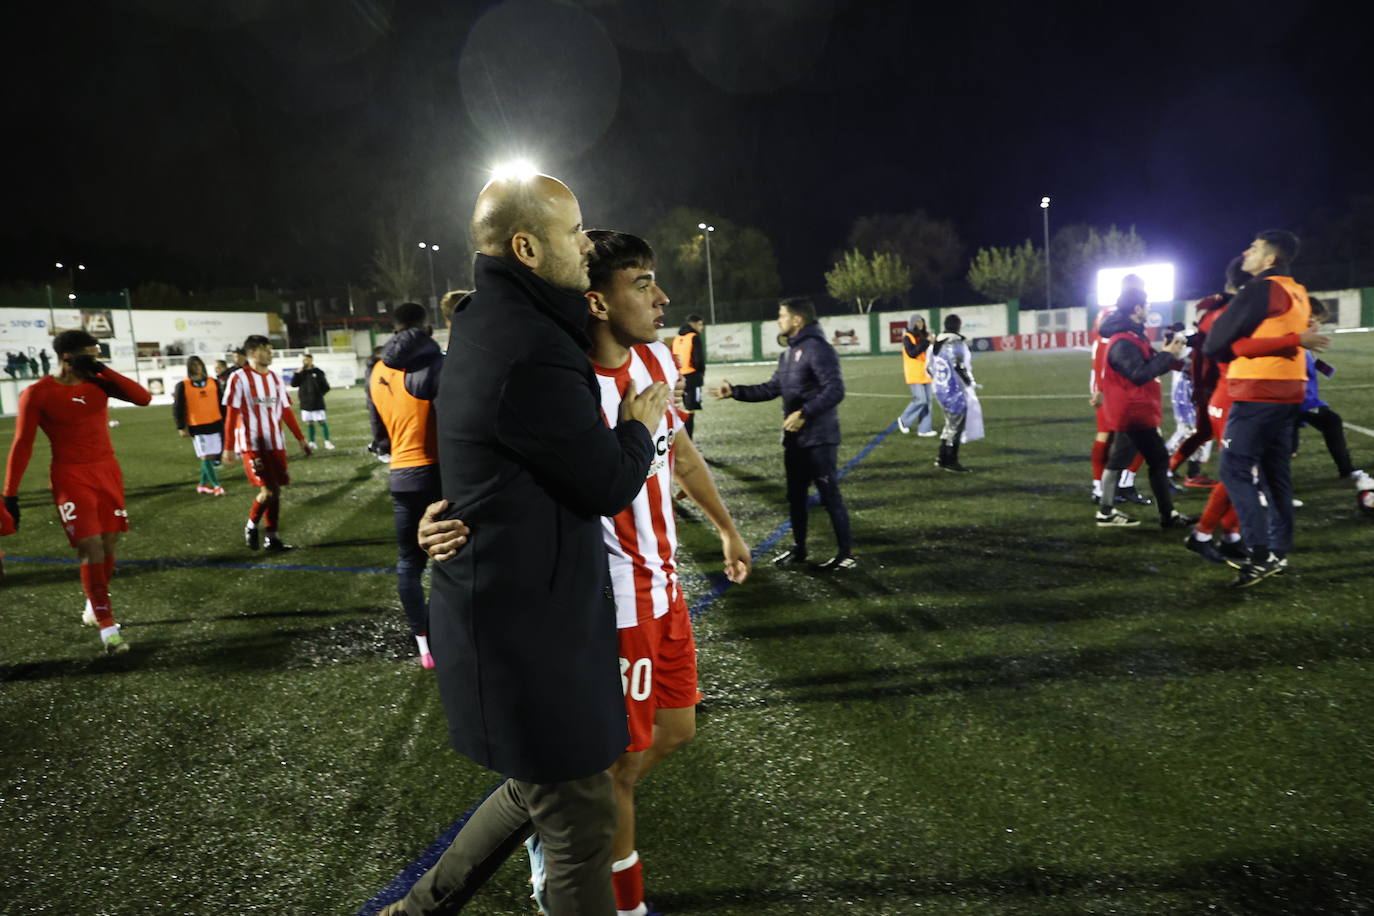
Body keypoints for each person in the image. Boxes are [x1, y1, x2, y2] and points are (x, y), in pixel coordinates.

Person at [375, 173, 667, 916]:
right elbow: (603, 481)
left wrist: (447, 510)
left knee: (541, 788)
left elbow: (487, 444)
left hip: (516, 614)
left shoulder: (492, 318)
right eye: (574, 234)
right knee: (579, 816)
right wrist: (638, 423)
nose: (586, 244)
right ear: (528, 246)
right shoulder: (532, 346)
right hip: (528, 629)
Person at [543, 229, 749, 916]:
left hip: (667, 591)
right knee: (618, 771)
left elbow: (681, 456)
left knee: (678, 730)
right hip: (620, 607)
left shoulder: (655, 360)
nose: (661, 298)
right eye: (641, 284)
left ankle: (564, 822)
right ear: (597, 302)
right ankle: (622, 903)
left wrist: (726, 527)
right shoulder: (571, 392)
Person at [2, 329, 152, 653]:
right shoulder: (37, 394)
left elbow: (143, 398)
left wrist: (103, 371)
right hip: (70, 477)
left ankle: (92, 604)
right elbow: (22, 445)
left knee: (110, 541)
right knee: (90, 547)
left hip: (107, 472)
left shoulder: (99, 381)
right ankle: (108, 626)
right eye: (91, 354)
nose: (97, 359)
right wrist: (10, 494)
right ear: (68, 357)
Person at [1204, 230, 1328, 587]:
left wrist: (1243, 347)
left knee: (1234, 471)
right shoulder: (1297, 290)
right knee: (1276, 477)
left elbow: (1215, 343)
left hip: (1258, 390)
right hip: (1290, 392)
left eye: (1255, 248)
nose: (1246, 251)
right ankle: (1278, 551)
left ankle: (1257, 554)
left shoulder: (1261, 288)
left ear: (1271, 259)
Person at [712, 297, 855, 570]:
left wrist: (804, 413)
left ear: (797, 320)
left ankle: (845, 554)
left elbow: (835, 389)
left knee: (829, 496)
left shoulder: (818, 349)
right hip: (795, 442)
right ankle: (800, 549)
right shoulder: (789, 353)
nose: (779, 320)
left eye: (782, 316)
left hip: (820, 440)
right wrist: (736, 391)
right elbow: (771, 388)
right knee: (796, 498)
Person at [367, 302, 444, 669]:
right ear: (423, 325)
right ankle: (450, 634)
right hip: (436, 473)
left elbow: (378, 433)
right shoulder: (432, 364)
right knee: (449, 557)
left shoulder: (377, 369)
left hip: (400, 474)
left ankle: (423, 644)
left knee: (408, 564)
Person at [1093, 288, 1193, 528]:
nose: (1149, 309)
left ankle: (1106, 511)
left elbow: (1149, 364)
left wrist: (1176, 360)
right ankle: (1166, 515)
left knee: (1121, 460)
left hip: (1133, 411)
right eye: (1146, 305)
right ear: (1137, 309)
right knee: (1157, 460)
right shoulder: (1123, 341)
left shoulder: (1131, 336)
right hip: (1132, 412)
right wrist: (1168, 354)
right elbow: (1139, 374)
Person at [221, 335, 312, 552]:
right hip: (253, 444)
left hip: (276, 444)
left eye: (270, 349)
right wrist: (229, 447)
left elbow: (286, 411)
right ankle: (252, 525)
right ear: (252, 353)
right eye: (265, 349)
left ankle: (272, 538)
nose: (270, 353)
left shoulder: (275, 378)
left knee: (277, 491)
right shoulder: (239, 378)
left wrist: (301, 439)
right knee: (268, 492)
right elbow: (232, 414)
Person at [1292, 299, 1371, 490]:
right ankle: (1347, 471)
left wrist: (1322, 367)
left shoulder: (1299, 340)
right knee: (1331, 422)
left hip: (1298, 400)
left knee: (1285, 447)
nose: (1316, 324)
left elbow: (1306, 359)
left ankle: (1268, 487)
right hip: (1299, 400)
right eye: (1312, 318)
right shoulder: (1294, 338)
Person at [929, 313, 983, 472]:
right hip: (954, 390)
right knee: (956, 426)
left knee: (950, 424)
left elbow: (929, 367)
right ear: (958, 326)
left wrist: (939, 382)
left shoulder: (937, 342)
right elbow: (959, 366)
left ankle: (941, 457)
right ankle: (950, 461)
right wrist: (969, 383)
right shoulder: (955, 342)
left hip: (940, 389)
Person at [172, 355, 226, 495]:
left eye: (198, 364)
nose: (197, 367)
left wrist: (226, 420)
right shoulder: (182, 385)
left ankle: (202, 485)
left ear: (202, 365)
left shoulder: (213, 382)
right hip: (197, 426)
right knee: (205, 456)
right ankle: (216, 485)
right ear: (189, 368)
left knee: (212, 455)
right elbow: (178, 408)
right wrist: (181, 427)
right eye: (193, 365)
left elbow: (222, 403)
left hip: (215, 423)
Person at [896, 314, 936, 437]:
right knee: (921, 399)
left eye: (921, 322)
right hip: (914, 374)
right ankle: (904, 419)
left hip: (926, 372)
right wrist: (927, 342)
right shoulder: (907, 337)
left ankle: (924, 429)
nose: (920, 324)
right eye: (917, 322)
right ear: (912, 324)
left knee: (928, 401)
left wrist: (934, 342)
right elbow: (912, 353)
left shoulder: (924, 336)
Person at [670, 314, 706, 439]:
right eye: (700, 324)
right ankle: (688, 440)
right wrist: (701, 374)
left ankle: (681, 438)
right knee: (691, 410)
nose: (701, 327)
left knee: (681, 409)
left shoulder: (677, 337)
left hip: (679, 377)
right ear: (694, 324)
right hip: (693, 377)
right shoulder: (694, 337)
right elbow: (699, 360)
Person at [291, 353, 334, 450]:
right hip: (305, 403)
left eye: (307, 359)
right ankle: (312, 442)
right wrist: (296, 374)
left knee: (322, 422)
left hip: (317, 402)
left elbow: (326, 387)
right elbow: (293, 384)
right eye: (304, 360)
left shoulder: (318, 372)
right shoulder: (301, 372)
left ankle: (327, 442)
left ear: (311, 360)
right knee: (309, 423)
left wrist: (319, 395)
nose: (305, 361)